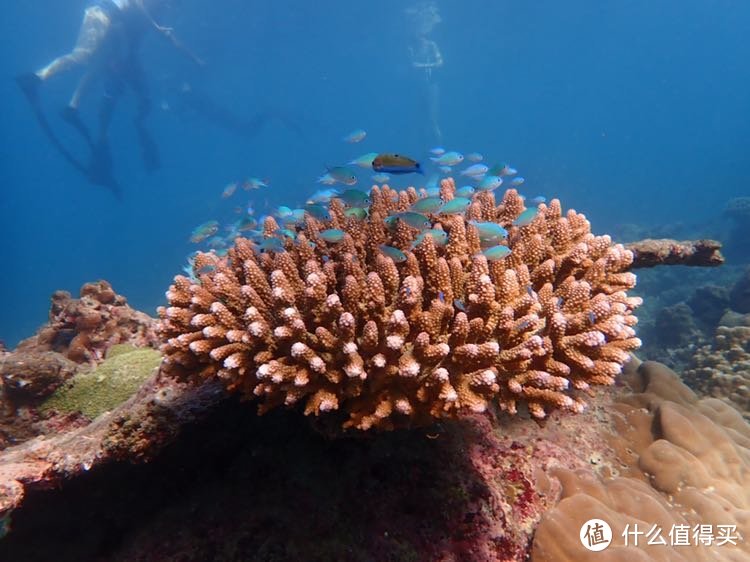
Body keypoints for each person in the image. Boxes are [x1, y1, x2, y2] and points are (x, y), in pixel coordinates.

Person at [17, 0, 203, 189]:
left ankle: (72, 106)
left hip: (108, 18)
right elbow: (136, 6)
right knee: (83, 55)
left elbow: (158, 34)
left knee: (97, 65)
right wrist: (155, 27)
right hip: (103, 12)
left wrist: (195, 58)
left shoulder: (154, 9)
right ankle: (36, 78)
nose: (168, 7)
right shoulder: (150, 5)